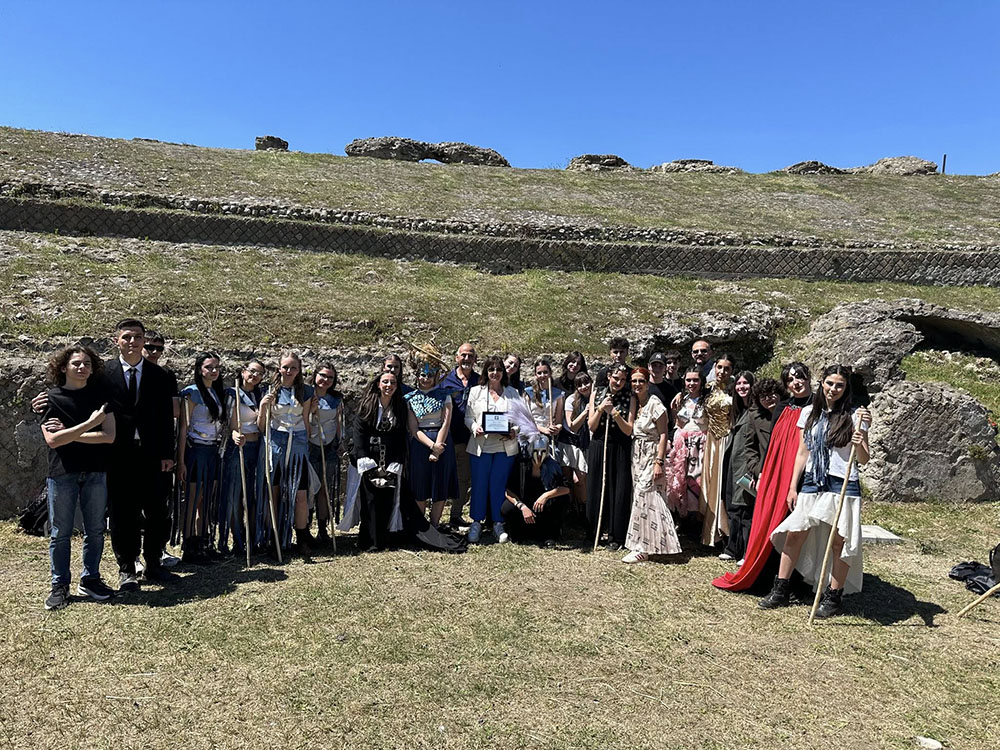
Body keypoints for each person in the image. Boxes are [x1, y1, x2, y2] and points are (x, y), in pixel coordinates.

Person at [31, 319, 177, 590]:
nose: (132, 342)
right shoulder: (102, 374)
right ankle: (127, 568)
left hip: (153, 454)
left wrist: (168, 453)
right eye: (127, 337)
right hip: (116, 453)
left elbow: (166, 418)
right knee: (123, 512)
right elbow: (75, 392)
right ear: (116, 341)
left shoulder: (161, 376)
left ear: (144, 341)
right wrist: (43, 401)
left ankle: (154, 563)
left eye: (138, 337)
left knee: (158, 511)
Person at [760, 365, 871, 617]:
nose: (834, 389)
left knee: (839, 540)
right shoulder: (809, 413)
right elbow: (802, 453)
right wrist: (792, 486)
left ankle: (833, 597)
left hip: (842, 482)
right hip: (813, 480)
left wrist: (859, 441)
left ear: (846, 388)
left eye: (840, 385)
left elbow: (863, 459)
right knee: (795, 533)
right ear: (822, 383)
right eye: (830, 383)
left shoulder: (856, 416)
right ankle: (780, 589)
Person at [712, 362, 814, 593]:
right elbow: (771, 448)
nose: (796, 382)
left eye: (799, 377)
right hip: (777, 476)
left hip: (807, 474)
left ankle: (801, 580)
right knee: (775, 525)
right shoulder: (783, 408)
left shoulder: (817, 405)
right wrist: (763, 473)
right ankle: (773, 577)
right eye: (790, 379)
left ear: (808, 377)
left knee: (800, 528)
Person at [350, 370, 466, 553]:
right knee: (370, 499)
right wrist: (363, 457)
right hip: (371, 456)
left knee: (389, 498)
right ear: (378, 384)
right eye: (385, 382)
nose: (389, 386)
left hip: (391, 455)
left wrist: (398, 458)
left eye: (393, 383)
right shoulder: (368, 405)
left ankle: (390, 537)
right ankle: (370, 540)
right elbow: (359, 432)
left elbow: (399, 434)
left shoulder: (398, 406)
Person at [39, 345, 117, 610]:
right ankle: (59, 585)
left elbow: (109, 436)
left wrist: (71, 434)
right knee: (60, 532)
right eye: (76, 363)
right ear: (63, 367)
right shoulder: (50, 399)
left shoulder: (101, 398)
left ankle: (90, 579)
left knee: (95, 530)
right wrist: (89, 424)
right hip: (63, 472)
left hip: (96, 471)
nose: (82, 368)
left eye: (87, 364)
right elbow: (53, 440)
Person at [622, 367, 682, 563]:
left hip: (652, 454)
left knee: (645, 494)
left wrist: (659, 462)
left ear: (647, 383)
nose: (637, 384)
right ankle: (642, 543)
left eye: (641, 381)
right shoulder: (635, 402)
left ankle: (643, 548)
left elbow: (664, 434)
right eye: (634, 381)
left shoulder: (656, 404)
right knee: (640, 499)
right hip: (637, 454)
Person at [464, 356, 526, 543]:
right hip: (481, 446)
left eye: (499, 370)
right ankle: (476, 522)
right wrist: (475, 428)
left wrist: (514, 431)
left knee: (498, 486)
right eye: (491, 369)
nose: (495, 373)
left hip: (504, 448)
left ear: (503, 373)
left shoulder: (513, 393)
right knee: (479, 485)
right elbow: (468, 417)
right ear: (486, 372)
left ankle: (498, 524)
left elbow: (521, 419)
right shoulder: (475, 391)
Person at [259, 351, 314, 556]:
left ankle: (302, 538)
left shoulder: (306, 391)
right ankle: (274, 537)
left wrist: (306, 444)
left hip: (298, 445)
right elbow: (262, 426)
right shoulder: (269, 390)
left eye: (293, 368)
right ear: (279, 368)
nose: (289, 371)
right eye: (285, 367)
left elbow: (306, 421)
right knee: (273, 494)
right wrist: (263, 406)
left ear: (299, 370)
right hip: (276, 445)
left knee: (300, 495)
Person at [177, 352, 226, 563]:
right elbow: (183, 428)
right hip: (196, 450)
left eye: (217, 367)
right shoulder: (191, 393)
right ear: (199, 369)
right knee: (193, 498)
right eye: (209, 367)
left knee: (206, 499)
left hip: (213, 450)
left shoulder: (216, 392)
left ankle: (203, 542)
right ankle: (189, 545)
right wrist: (181, 461)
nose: (213, 371)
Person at [404, 345, 457, 529]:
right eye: (422, 375)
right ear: (417, 375)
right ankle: (422, 527)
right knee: (420, 485)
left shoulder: (444, 396)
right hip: (421, 443)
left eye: (429, 375)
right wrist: (431, 446)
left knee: (440, 485)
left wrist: (438, 446)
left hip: (442, 441)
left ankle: (434, 525)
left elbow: (446, 422)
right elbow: (413, 428)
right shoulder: (410, 398)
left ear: (436, 376)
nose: (425, 379)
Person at [141, 331, 180, 568]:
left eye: (159, 349)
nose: (154, 352)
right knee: (133, 507)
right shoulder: (126, 373)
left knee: (159, 505)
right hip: (133, 446)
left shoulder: (166, 375)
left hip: (159, 447)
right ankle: (133, 557)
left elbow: (173, 412)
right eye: (150, 347)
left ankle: (157, 551)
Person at [219, 359, 266, 556]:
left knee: (254, 496)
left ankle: (253, 539)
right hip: (238, 448)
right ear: (243, 371)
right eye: (252, 371)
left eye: (259, 373)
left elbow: (263, 424)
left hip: (258, 447)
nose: (255, 376)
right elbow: (228, 423)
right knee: (235, 495)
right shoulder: (233, 393)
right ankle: (238, 541)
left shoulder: (261, 394)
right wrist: (233, 434)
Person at [586, 364, 635, 550]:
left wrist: (614, 413)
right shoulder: (596, 393)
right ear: (608, 376)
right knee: (595, 488)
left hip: (620, 445)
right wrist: (600, 409)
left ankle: (616, 536)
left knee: (619, 490)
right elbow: (591, 426)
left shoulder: (629, 396)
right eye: (615, 378)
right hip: (599, 443)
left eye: (622, 380)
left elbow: (628, 429)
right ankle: (594, 533)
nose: (618, 382)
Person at [501, 436, 570, 547]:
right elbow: (508, 491)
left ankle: (550, 535)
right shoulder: (521, 464)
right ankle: (520, 533)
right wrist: (522, 507)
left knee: (561, 500)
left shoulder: (552, 465)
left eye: (543, 451)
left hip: (543, 507)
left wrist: (546, 496)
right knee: (507, 507)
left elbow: (565, 488)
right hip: (525, 507)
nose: (539, 455)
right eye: (536, 451)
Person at [720, 370, 758, 562]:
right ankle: (732, 548)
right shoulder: (739, 410)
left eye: (746, 383)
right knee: (733, 506)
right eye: (739, 384)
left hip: (746, 466)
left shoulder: (756, 411)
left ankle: (745, 552)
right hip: (733, 465)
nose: (742, 387)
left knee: (745, 509)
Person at [440, 343, 478, 528]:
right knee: (442, 477)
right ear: (457, 358)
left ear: (475, 359)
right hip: (447, 437)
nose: (466, 359)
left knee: (463, 478)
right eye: (463, 355)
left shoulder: (480, 381)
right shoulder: (445, 381)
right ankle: (435, 517)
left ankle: (455, 515)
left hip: (469, 439)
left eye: (470, 355)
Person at [700, 354, 736, 548]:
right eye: (719, 367)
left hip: (727, 439)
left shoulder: (735, 390)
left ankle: (725, 532)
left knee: (722, 484)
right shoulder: (708, 388)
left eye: (726, 369)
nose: (722, 372)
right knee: (709, 483)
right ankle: (710, 531)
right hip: (711, 441)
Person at [308, 362, 343, 546]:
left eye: (330, 377)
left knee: (324, 490)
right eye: (322, 375)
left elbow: (339, 421)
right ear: (315, 375)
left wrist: (340, 440)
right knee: (309, 489)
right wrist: (312, 411)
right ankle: (305, 529)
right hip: (309, 446)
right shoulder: (307, 394)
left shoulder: (336, 399)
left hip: (329, 447)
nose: (326, 380)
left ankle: (322, 529)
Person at [666, 367, 707, 519]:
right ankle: (682, 517)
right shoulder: (682, 399)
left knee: (697, 482)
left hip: (700, 446)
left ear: (701, 381)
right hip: (682, 446)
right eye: (688, 380)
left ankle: (698, 519)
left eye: (695, 380)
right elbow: (677, 423)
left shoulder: (707, 399)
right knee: (680, 480)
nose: (692, 383)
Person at [558, 370, 592, 511]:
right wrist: (585, 412)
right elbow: (572, 426)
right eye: (580, 385)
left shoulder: (596, 398)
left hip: (586, 442)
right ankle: (572, 508)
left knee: (580, 480)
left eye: (586, 383)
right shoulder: (571, 400)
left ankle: (584, 508)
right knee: (569, 480)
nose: (584, 387)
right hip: (569, 441)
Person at [523, 358, 564, 444]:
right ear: (535, 375)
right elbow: (526, 419)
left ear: (550, 373)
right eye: (539, 373)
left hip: (550, 437)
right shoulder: (528, 393)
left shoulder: (558, 394)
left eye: (545, 372)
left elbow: (559, 421)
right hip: (531, 435)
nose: (542, 375)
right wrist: (544, 430)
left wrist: (556, 429)